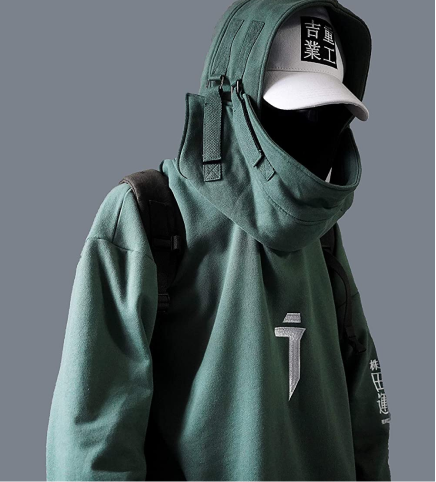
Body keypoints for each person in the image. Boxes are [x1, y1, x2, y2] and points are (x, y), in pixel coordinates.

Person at [46, 1, 392, 481]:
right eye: (294, 112)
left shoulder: (324, 238)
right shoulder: (148, 216)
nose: (315, 134)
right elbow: (92, 446)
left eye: (329, 116)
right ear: (228, 99)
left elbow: (366, 422)